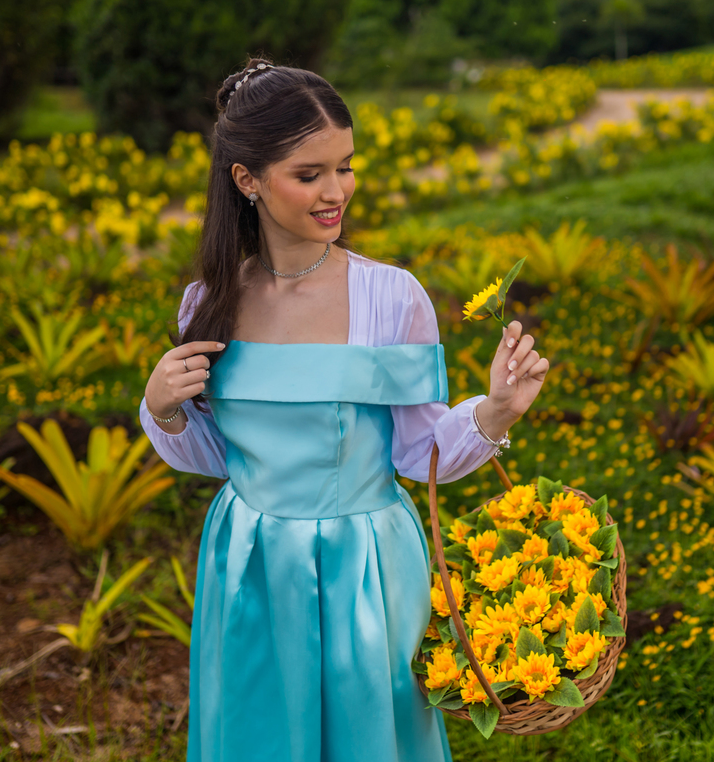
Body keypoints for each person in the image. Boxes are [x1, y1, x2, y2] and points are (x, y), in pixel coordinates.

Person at [138, 57, 550, 762]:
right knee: (258, 730)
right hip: (249, 562)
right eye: (309, 174)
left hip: (365, 564)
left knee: (370, 734)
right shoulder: (208, 302)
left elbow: (419, 453)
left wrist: (498, 411)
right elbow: (222, 456)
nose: (337, 193)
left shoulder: (392, 297)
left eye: (346, 167)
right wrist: (164, 408)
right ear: (247, 181)